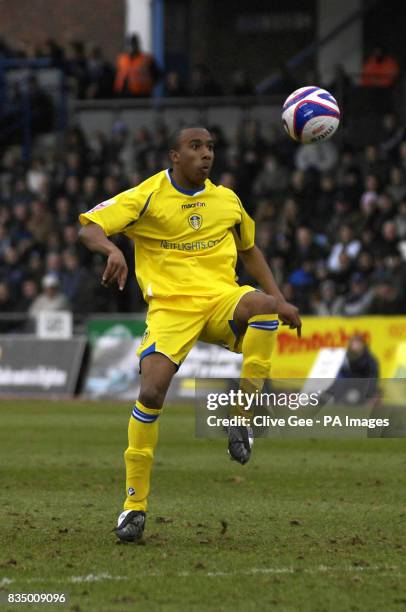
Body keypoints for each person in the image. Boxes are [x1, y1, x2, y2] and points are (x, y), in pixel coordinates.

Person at [78, 126, 302, 542]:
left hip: (221, 299)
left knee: (265, 309)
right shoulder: (147, 195)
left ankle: (242, 414)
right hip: (170, 308)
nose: (206, 155)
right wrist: (111, 250)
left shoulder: (227, 200)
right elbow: (90, 225)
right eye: (195, 147)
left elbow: (250, 250)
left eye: (211, 147)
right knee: (150, 394)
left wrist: (280, 298)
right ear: (174, 156)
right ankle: (134, 507)